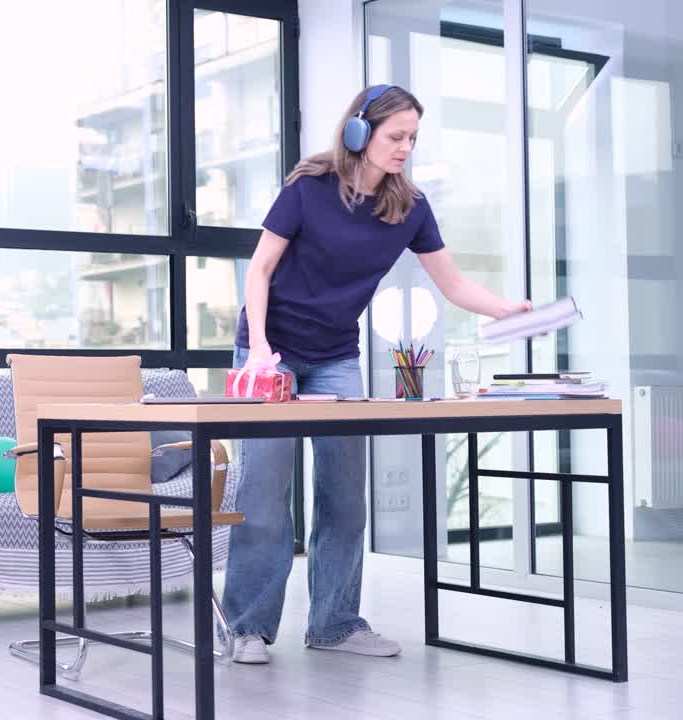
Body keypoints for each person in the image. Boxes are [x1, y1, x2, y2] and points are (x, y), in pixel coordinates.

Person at [223, 85, 531, 664]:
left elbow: (455, 284)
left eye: (413, 138)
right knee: (264, 495)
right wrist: (261, 348)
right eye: (396, 136)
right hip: (271, 354)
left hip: (336, 357)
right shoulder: (308, 190)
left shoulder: (409, 207)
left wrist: (505, 309)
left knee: (344, 495)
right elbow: (260, 270)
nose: (405, 148)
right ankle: (246, 628)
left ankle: (334, 624)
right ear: (359, 133)